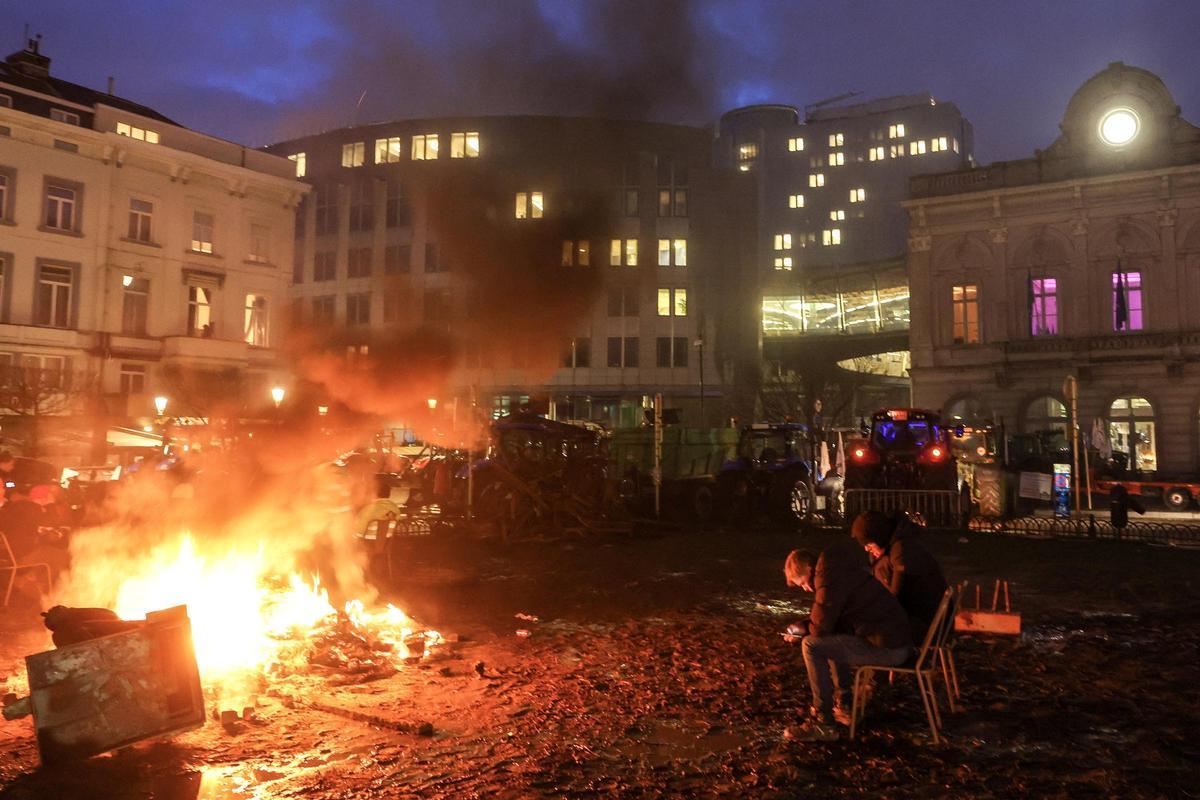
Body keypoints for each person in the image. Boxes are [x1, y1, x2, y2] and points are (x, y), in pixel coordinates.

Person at [783, 543, 912, 741]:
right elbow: (828, 619)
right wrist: (801, 626)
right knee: (830, 640)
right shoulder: (839, 569)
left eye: (802, 582)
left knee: (811, 646)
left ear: (809, 569)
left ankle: (823, 721)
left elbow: (820, 627)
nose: (806, 588)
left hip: (889, 648)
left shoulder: (828, 578)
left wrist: (802, 631)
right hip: (894, 640)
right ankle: (844, 702)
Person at [851, 511, 949, 640]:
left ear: (879, 537)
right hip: (920, 620)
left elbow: (896, 598)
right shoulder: (892, 551)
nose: (866, 549)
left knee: (858, 633)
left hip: (925, 624)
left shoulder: (901, 551)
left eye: (869, 543)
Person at [356, 476, 402, 545]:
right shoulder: (395, 508)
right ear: (389, 493)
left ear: (374, 493)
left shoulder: (368, 509)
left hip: (369, 543)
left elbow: (358, 532)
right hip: (387, 542)